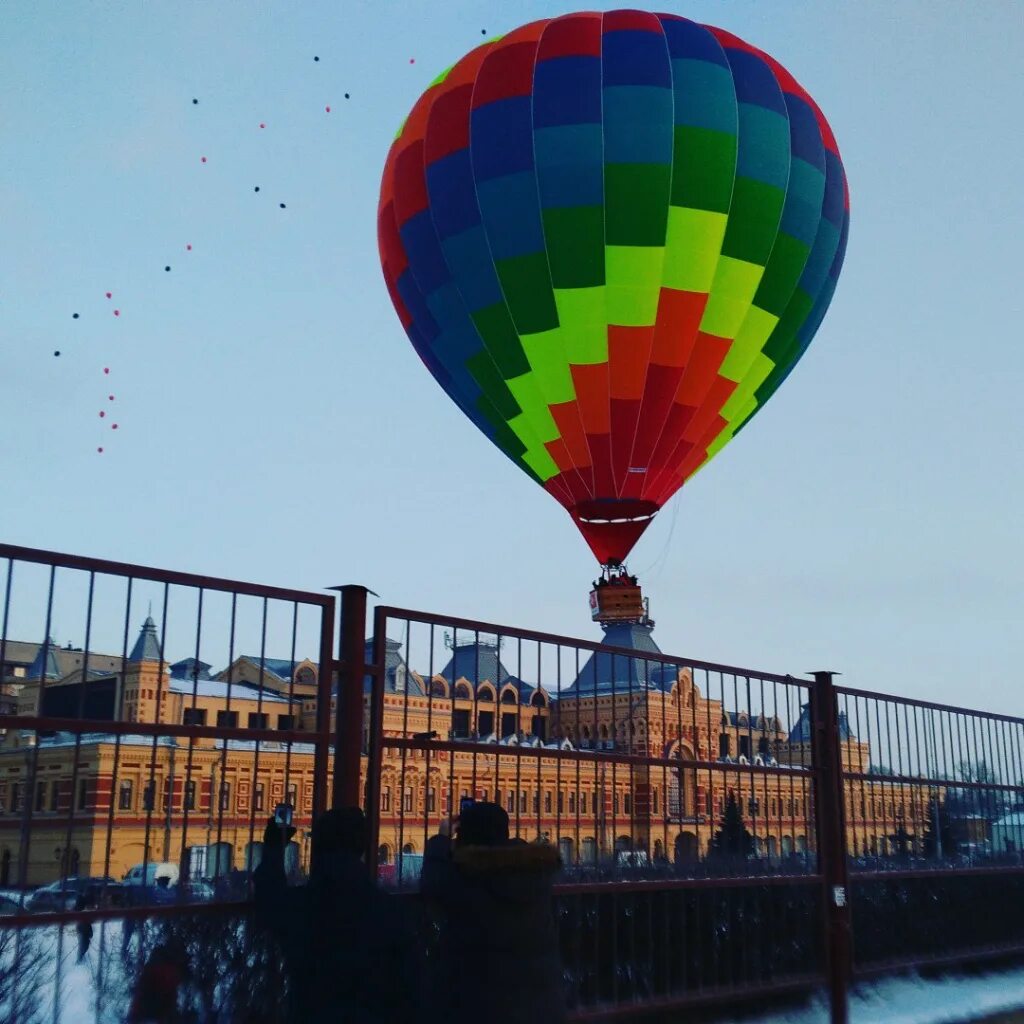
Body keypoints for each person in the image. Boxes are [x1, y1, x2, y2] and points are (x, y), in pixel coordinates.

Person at [253, 806, 417, 1024]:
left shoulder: (304, 905)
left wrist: (273, 849)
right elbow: (412, 988)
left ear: (318, 846)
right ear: (363, 846)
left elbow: (269, 896)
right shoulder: (389, 910)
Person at [420, 801, 566, 1024]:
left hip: (484, 1009)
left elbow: (433, 882)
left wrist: (441, 839)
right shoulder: (535, 875)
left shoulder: (468, 880)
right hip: (542, 1008)